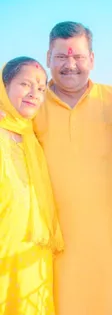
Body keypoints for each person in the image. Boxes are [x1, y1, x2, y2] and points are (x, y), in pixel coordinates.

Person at [34, 21, 112, 315]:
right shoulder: (30, 105)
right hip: (52, 248)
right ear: (47, 58)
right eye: (61, 57)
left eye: (78, 56)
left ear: (92, 59)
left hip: (110, 247)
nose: (70, 65)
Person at [0, 56, 64, 315]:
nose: (34, 93)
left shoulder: (32, 135)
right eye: (25, 84)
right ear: (4, 86)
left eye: (41, 87)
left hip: (33, 257)